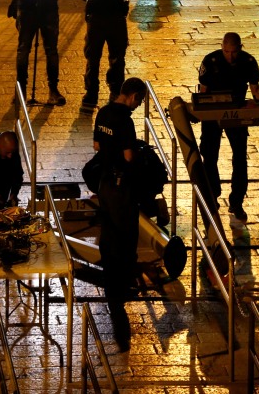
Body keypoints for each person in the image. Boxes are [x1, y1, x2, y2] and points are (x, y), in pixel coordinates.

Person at [92, 76, 147, 351]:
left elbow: (97, 147)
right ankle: (120, 284)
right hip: (120, 186)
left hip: (103, 183)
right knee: (126, 233)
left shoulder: (102, 112)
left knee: (109, 228)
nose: (139, 106)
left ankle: (109, 267)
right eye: (140, 100)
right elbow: (127, 157)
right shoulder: (125, 119)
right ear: (133, 95)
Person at [198, 32, 259, 222]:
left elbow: (255, 89)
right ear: (222, 47)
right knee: (209, 155)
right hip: (213, 111)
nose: (230, 56)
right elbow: (203, 92)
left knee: (240, 157)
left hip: (237, 110)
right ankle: (213, 195)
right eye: (226, 52)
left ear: (240, 48)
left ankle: (237, 201)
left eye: (234, 52)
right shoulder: (210, 61)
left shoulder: (249, 62)